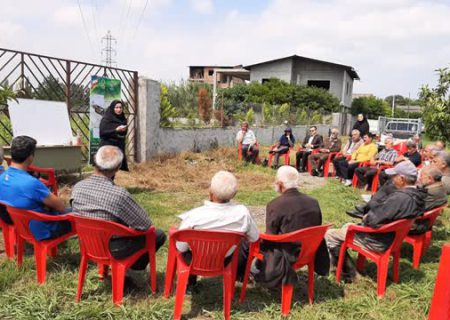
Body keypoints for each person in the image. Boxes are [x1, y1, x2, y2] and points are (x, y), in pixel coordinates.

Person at [71, 145, 166, 272]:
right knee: (158, 235)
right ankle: (134, 268)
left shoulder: (77, 187)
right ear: (118, 167)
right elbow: (145, 225)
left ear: (94, 159)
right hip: (114, 249)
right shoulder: (118, 195)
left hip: (89, 245)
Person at [326, 160, 425, 276]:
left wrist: (366, 216)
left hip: (378, 241)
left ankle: (350, 273)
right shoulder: (418, 195)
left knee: (329, 235)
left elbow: (373, 221)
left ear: (401, 179)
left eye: (394, 176)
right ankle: (340, 265)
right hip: (394, 238)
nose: (392, 180)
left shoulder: (399, 199)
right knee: (347, 226)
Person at [176, 171, 259, 285]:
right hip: (225, 260)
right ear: (234, 194)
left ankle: (190, 284)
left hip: (194, 261)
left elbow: (180, 247)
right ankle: (239, 274)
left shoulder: (194, 215)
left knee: (185, 250)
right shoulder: (243, 213)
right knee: (244, 243)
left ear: (210, 192)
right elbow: (254, 238)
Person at [253, 166, 329, 288]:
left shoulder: (275, 204)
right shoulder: (313, 202)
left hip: (286, 255)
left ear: (280, 183)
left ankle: (261, 272)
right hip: (309, 252)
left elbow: (270, 236)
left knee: (259, 242)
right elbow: (317, 225)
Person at [0, 136, 71, 240]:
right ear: (30, 157)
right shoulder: (32, 184)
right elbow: (60, 206)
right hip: (41, 230)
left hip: (19, 224)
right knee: (76, 214)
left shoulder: (2, 177)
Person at [99, 100, 129, 171]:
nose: (119, 109)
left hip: (118, 147)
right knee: (107, 169)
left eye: (120, 107)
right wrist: (115, 130)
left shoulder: (123, 119)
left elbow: (124, 134)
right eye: (116, 107)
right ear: (112, 108)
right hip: (107, 147)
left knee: (116, 169)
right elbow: (102, 133)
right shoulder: (106, 119)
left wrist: (123, 130)